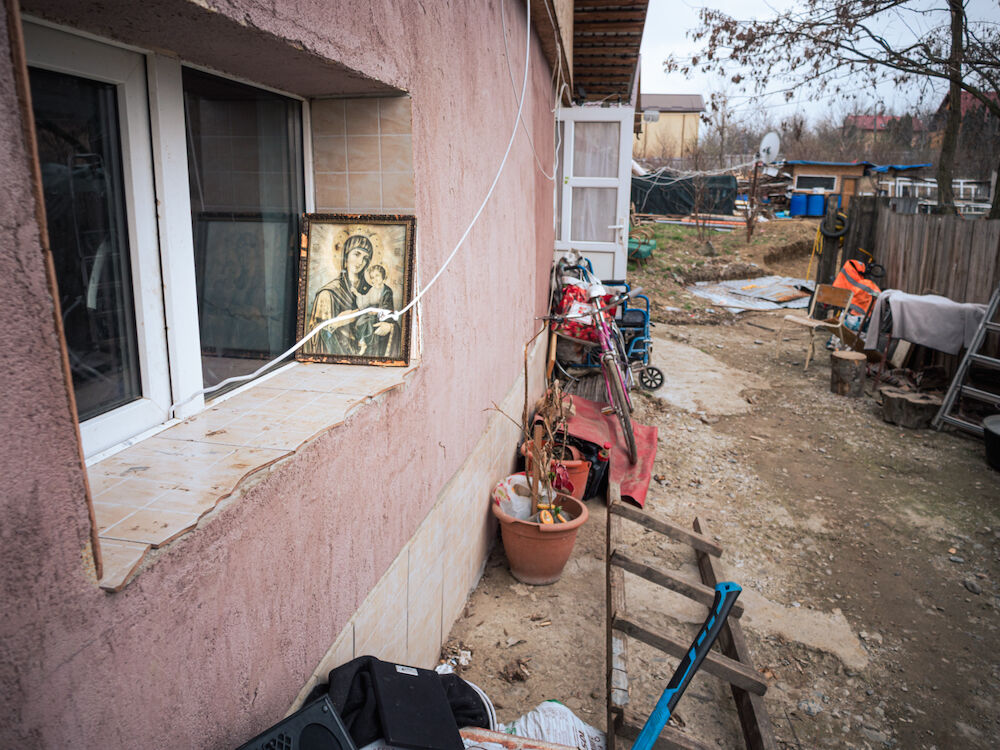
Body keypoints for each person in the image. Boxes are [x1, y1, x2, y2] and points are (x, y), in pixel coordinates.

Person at [307, 234, 396, 356]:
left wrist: (390, 327)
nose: (360, 262)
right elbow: (314, 337)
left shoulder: (375, 291)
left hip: (370, 357)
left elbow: (390, 319)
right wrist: (337, 322)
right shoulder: (328, 293)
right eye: (357, 254)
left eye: (365, 258)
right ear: (346, 255)